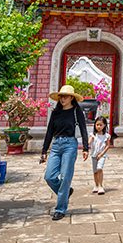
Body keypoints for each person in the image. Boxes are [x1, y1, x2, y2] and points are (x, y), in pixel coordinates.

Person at [40, 84, 89, 221]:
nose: (62, 99)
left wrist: (85, 148)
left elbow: (84, 129)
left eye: (65, 96)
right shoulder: (56, 112)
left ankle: (60, 209)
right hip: (56, 145)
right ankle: (67, 192)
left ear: (72, 98)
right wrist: (44, 150)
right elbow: (49, 131)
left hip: (70, 145)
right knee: (49, 176)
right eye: (61, 96)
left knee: (65, 177)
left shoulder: (76, 112)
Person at [89, 116, 110, 195]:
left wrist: (102, 154)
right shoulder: (93, 135)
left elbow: (108, 145)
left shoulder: (107, 136)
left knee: (99, 168)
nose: (98, 126)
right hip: (94, 155)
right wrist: (90, 140)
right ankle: (96, 185)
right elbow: (89, 142)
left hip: (102, 155)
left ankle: (101, 186)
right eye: (97, 125)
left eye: (101, 125)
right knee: (95, 171)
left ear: (104, 125)